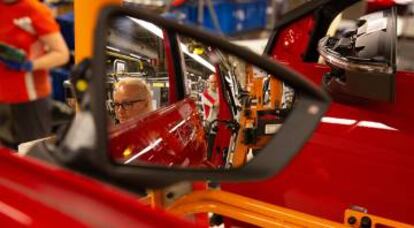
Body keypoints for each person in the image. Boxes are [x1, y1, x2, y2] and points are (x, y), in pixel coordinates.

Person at [0, 0, 70, 148]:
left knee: (33, 154)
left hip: (29, 98)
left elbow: (62, 54)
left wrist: (30, 65)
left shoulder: (34, 10)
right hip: (3, 98)